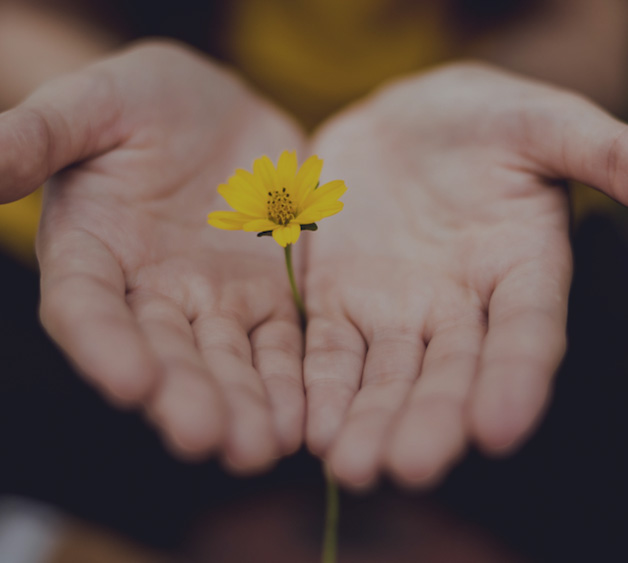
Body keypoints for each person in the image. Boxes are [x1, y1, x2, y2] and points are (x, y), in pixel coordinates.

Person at [0, 0, 627, 489]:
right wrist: (81, 86)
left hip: (479, 231)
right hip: (135, 222)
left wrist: (510, 89)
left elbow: (596, 21)